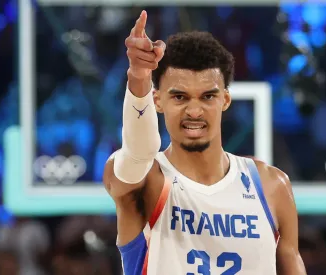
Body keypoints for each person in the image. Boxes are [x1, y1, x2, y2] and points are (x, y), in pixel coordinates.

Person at [103, 10, 306, 275]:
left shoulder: (271, 186)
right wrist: (139, 79)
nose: (194, 111)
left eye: (207, 97)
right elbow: (139, 152)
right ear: (157, 101)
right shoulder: (146, 180)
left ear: (225, 100)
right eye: (180, 97)